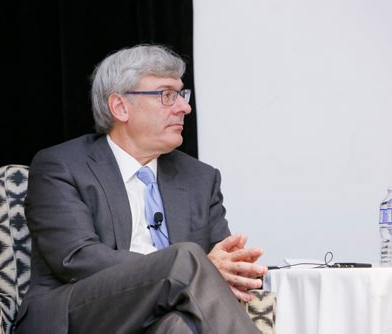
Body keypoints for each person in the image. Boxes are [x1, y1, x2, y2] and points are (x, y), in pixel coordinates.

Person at [15, 44, 267, 333]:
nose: (184, 107)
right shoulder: (61, 165)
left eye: (181, 94)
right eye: (167, 95)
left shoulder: (200, 178)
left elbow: (223, 265)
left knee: (179, 327)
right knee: (184, 259)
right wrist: (179, 268)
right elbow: (75, 259)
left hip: (164, 315)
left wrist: (230, 269)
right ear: (120, 107)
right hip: (79, 314)